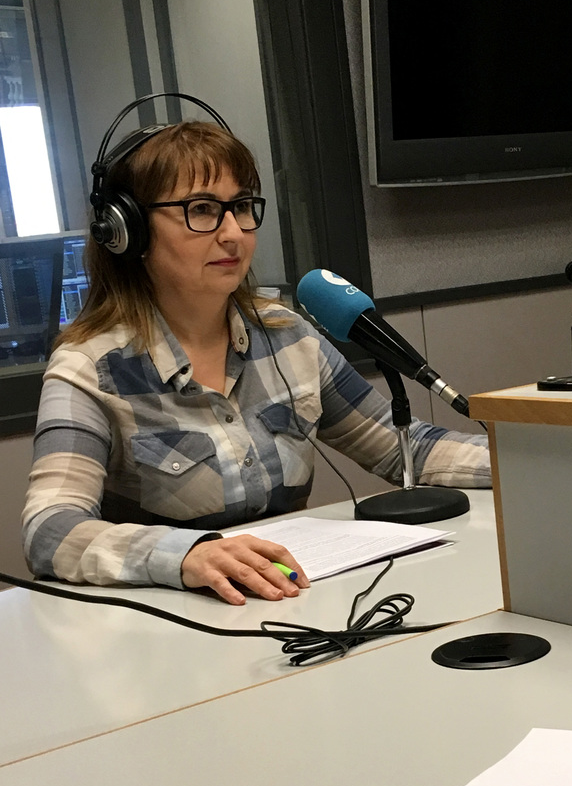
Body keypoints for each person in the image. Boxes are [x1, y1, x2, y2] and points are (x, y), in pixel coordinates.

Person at [21, 114, 490, 606]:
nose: (233, 233)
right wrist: (186, 555)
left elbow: (404, 449)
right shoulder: (87, 368)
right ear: (129, 230)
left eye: (242, 207)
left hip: (291, 601)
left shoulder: (287, 336)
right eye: (202, 209)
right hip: (173, 622)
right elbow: (50, 529)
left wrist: (528, 458)